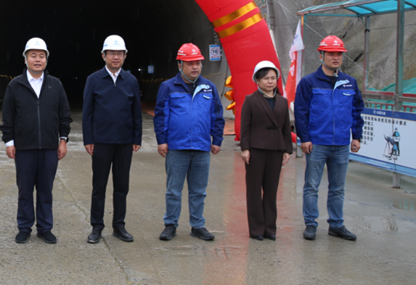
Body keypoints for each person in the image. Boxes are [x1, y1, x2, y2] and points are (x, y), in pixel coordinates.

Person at [0, 38, 72, 244]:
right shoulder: (15, 85)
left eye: (41, 56)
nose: (37, 59)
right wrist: (9, 142)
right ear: (25, 59)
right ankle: (24, 227)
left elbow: (64, 115)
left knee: (45, 190)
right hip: (24, 148)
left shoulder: (55, 85)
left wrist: (63, 139)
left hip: (49, 147)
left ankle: (44, 227)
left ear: (46, 59)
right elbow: (8, 116)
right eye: (33, 55)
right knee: (24, 190)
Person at [295, 35, 363, 241]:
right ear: (321, 55)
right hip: (317, 143)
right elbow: (301, 112)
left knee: (338, 188)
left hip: (341, 143)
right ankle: (311, 224)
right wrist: (305, 138)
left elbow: (356, 111)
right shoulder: (308, 83)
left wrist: (356, 136)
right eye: (331, 54)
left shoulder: (350, 83)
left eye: (339, 54)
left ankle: (336, 224)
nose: (335, 58)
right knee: (312, 186)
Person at [154, 43, 225, 242]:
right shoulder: (168, 87)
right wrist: (162, 140)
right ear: (180, 65)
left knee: (199, 191)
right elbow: (161, 115)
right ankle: (170, 224)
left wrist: (217, 139)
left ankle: (197, 225)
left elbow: (217, 115)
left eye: (198, 63)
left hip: (201, 147)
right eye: (190, 63)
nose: (195, 67)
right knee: (173, 190)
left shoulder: (209, 87)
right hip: (177, 146)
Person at [83, 35, 142, 244]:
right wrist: (88, 139)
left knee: (121, 186)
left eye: (119, 53)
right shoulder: (94, 80)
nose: (116, 57)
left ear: (125, 56)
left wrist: (137, 137)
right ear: (103, 55)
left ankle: (119, 225)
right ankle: (96, 226)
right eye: (112, 53)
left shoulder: (131, 81)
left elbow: (136, 112)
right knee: (99, 186)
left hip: (124, 142)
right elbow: (87, 112)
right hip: (101, 141)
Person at [240, 61, 293, 241]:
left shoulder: (282, 101)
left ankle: (270, 228)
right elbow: (245, 126)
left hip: (276, 149)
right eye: (266, 78)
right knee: (254, 190)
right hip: (256, 150)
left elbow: (286, 128)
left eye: (273, 78)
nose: (270, 81)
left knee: (271, 191)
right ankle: (256, 229)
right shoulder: (251, 100)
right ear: (257, 80)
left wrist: (287, 149)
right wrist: (245, 148)